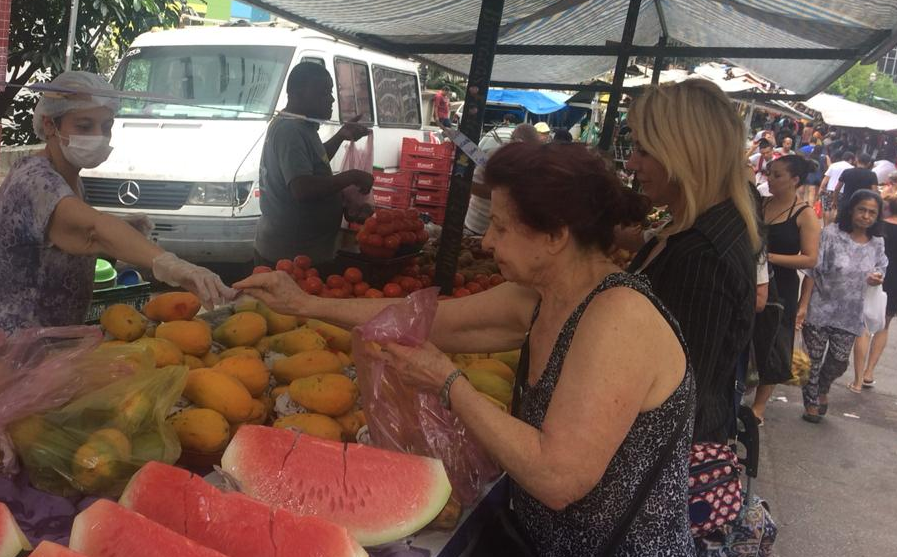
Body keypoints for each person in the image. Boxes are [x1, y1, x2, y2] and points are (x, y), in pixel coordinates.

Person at [236, 143, 697, 556]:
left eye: (499, 226)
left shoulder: (618, 316)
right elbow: (420, 318)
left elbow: (558, 479)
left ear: (556, 235)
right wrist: (305, 302)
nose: (489, 240)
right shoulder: (541, 296)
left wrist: (448, 383)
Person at [0, 71, 234, 335]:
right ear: (51, 125)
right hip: (20, 344)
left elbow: (68, 236)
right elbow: (94, 230)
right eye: (84, 126)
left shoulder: (69, 179)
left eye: (107, 126)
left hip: (54, 336)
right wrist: (173, 266)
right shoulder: (36, 181)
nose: (99, 136)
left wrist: (121, 232)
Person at [624, 79, 760, 443]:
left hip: (652, 469)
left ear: (685, 151)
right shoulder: (700, 222)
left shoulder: (701, 254)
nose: (630, 162)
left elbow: (677, 399)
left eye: (642, 149)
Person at [254, 62, 372, 267]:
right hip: (290, 258)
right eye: (323, 93)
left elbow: (310, 162)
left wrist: (341, 136)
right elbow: (302, 189)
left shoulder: (302, 126)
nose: (331, 99)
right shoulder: (290, 131)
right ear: (297, 94)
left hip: (305, 252)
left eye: (331, 92)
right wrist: (351, 176)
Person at [796, 190, 887, 421]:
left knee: (838, 362)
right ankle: (812, 404)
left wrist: (876, 276)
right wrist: (803, 306)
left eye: (872, 213)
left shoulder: (877, 243)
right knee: (813, 361)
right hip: (819, 308)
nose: (866, 216)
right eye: (862, 210)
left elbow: (881, 267)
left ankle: (823, 388)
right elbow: (812, 271)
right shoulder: (831, 234)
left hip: (849, 315)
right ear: (851, 210)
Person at [750, 155, 821, 424]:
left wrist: (767, 258)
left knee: (773, 341)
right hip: (753, 279)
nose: (770, 178)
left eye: (778, 175)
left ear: (795, 180)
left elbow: (810, 258)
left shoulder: (804, 215)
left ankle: (759, 406)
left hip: (782, 287)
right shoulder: (760, 203)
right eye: (770, 173)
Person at [850, 194, 897, 391]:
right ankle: (869, 372)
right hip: (894, 283)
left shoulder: (879, 229)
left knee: (864, 326)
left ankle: (858, 380)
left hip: (873, 277)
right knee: (883, 325)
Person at [464, 124, 542, 236]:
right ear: (514, 143)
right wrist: (504, 194)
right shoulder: (494, 156)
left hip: (508, 229)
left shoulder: (533, 162)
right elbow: (473, 185)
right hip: (478, 223)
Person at [819, 151, 855, 225]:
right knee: (836, 209)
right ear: (851, 159)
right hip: (842, 192)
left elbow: (826, 178)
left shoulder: (833, 165)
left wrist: (821, 188)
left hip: (829, 190)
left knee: (827, 209)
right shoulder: (852, 168)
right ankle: (832, 226)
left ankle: (826, 226)